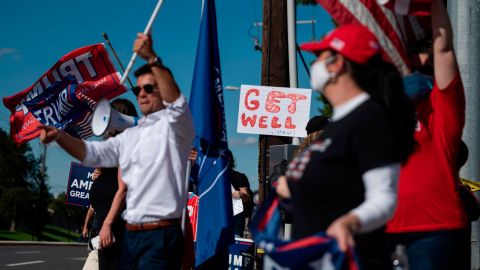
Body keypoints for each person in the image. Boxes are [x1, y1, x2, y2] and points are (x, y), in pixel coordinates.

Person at [39, 33, 195, 269]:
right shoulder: (131, 135)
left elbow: (177, 103)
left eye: (149, 88)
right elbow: (91, 153)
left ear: (161, 91)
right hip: (132, 237)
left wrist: (152, 58)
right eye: (138, 89)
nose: (141, 93)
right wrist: (60, 136)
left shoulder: (176, 127)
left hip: (160, 235)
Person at [276, 24, 416, 269]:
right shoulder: (338, 124)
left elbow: (384, 197)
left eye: (319, 55)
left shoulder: (370, 119)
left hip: (350, 260)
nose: (314, 63)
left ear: (337, 64)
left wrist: (349, 222)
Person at [386, 0, 470, 269]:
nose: (419, 58)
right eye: (413, 51)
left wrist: (434, 5)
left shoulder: (443, 106)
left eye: (425, 51)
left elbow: (444, 49)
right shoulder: (382, 107)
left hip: (435, 228)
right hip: (383, 226)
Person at [226, 150, 254, 238]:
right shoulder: (212, 177)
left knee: (235, 242)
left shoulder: (239, 177)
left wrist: (241, 194)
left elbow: (248, 198)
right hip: (216, 216)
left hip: (235, 217)